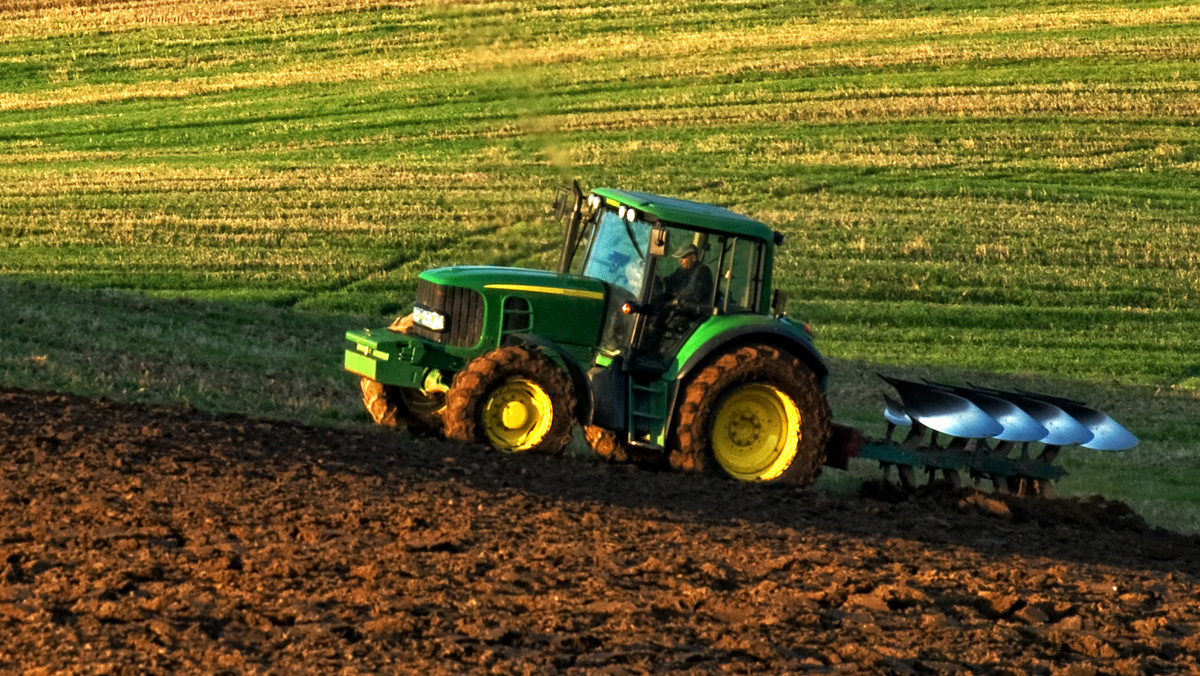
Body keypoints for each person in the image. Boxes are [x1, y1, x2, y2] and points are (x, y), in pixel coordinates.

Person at [662, 244, 714, 310]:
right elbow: (671, 281)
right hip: (682, 307)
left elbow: (693, 291)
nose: (680, 261)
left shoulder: (703, 271)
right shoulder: (682, 271)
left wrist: (675, 299)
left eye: (683, 257)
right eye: (680, 258)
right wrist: (660, 281)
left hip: (694, 313)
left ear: (693, 258)